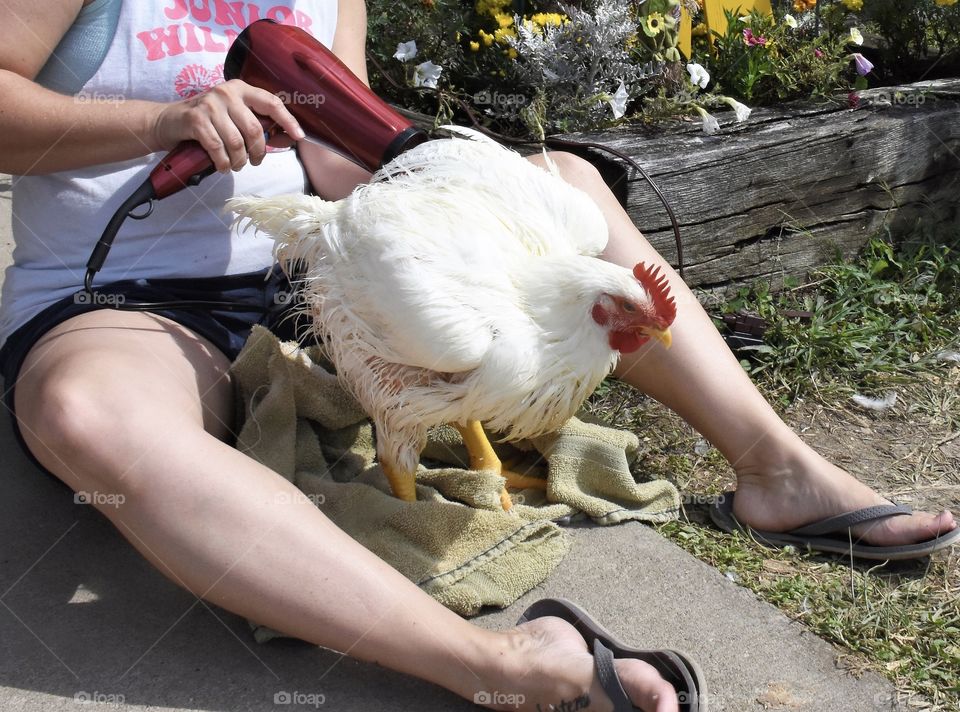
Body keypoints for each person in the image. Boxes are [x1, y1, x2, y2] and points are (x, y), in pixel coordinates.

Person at [0, 2, 954, 711]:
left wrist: (452, 190)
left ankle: (777, 474)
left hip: (312, 266)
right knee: (87, 414)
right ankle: (495, 664)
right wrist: (159, 122)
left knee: (564, 190)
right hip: (121, 296)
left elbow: (333, 152)